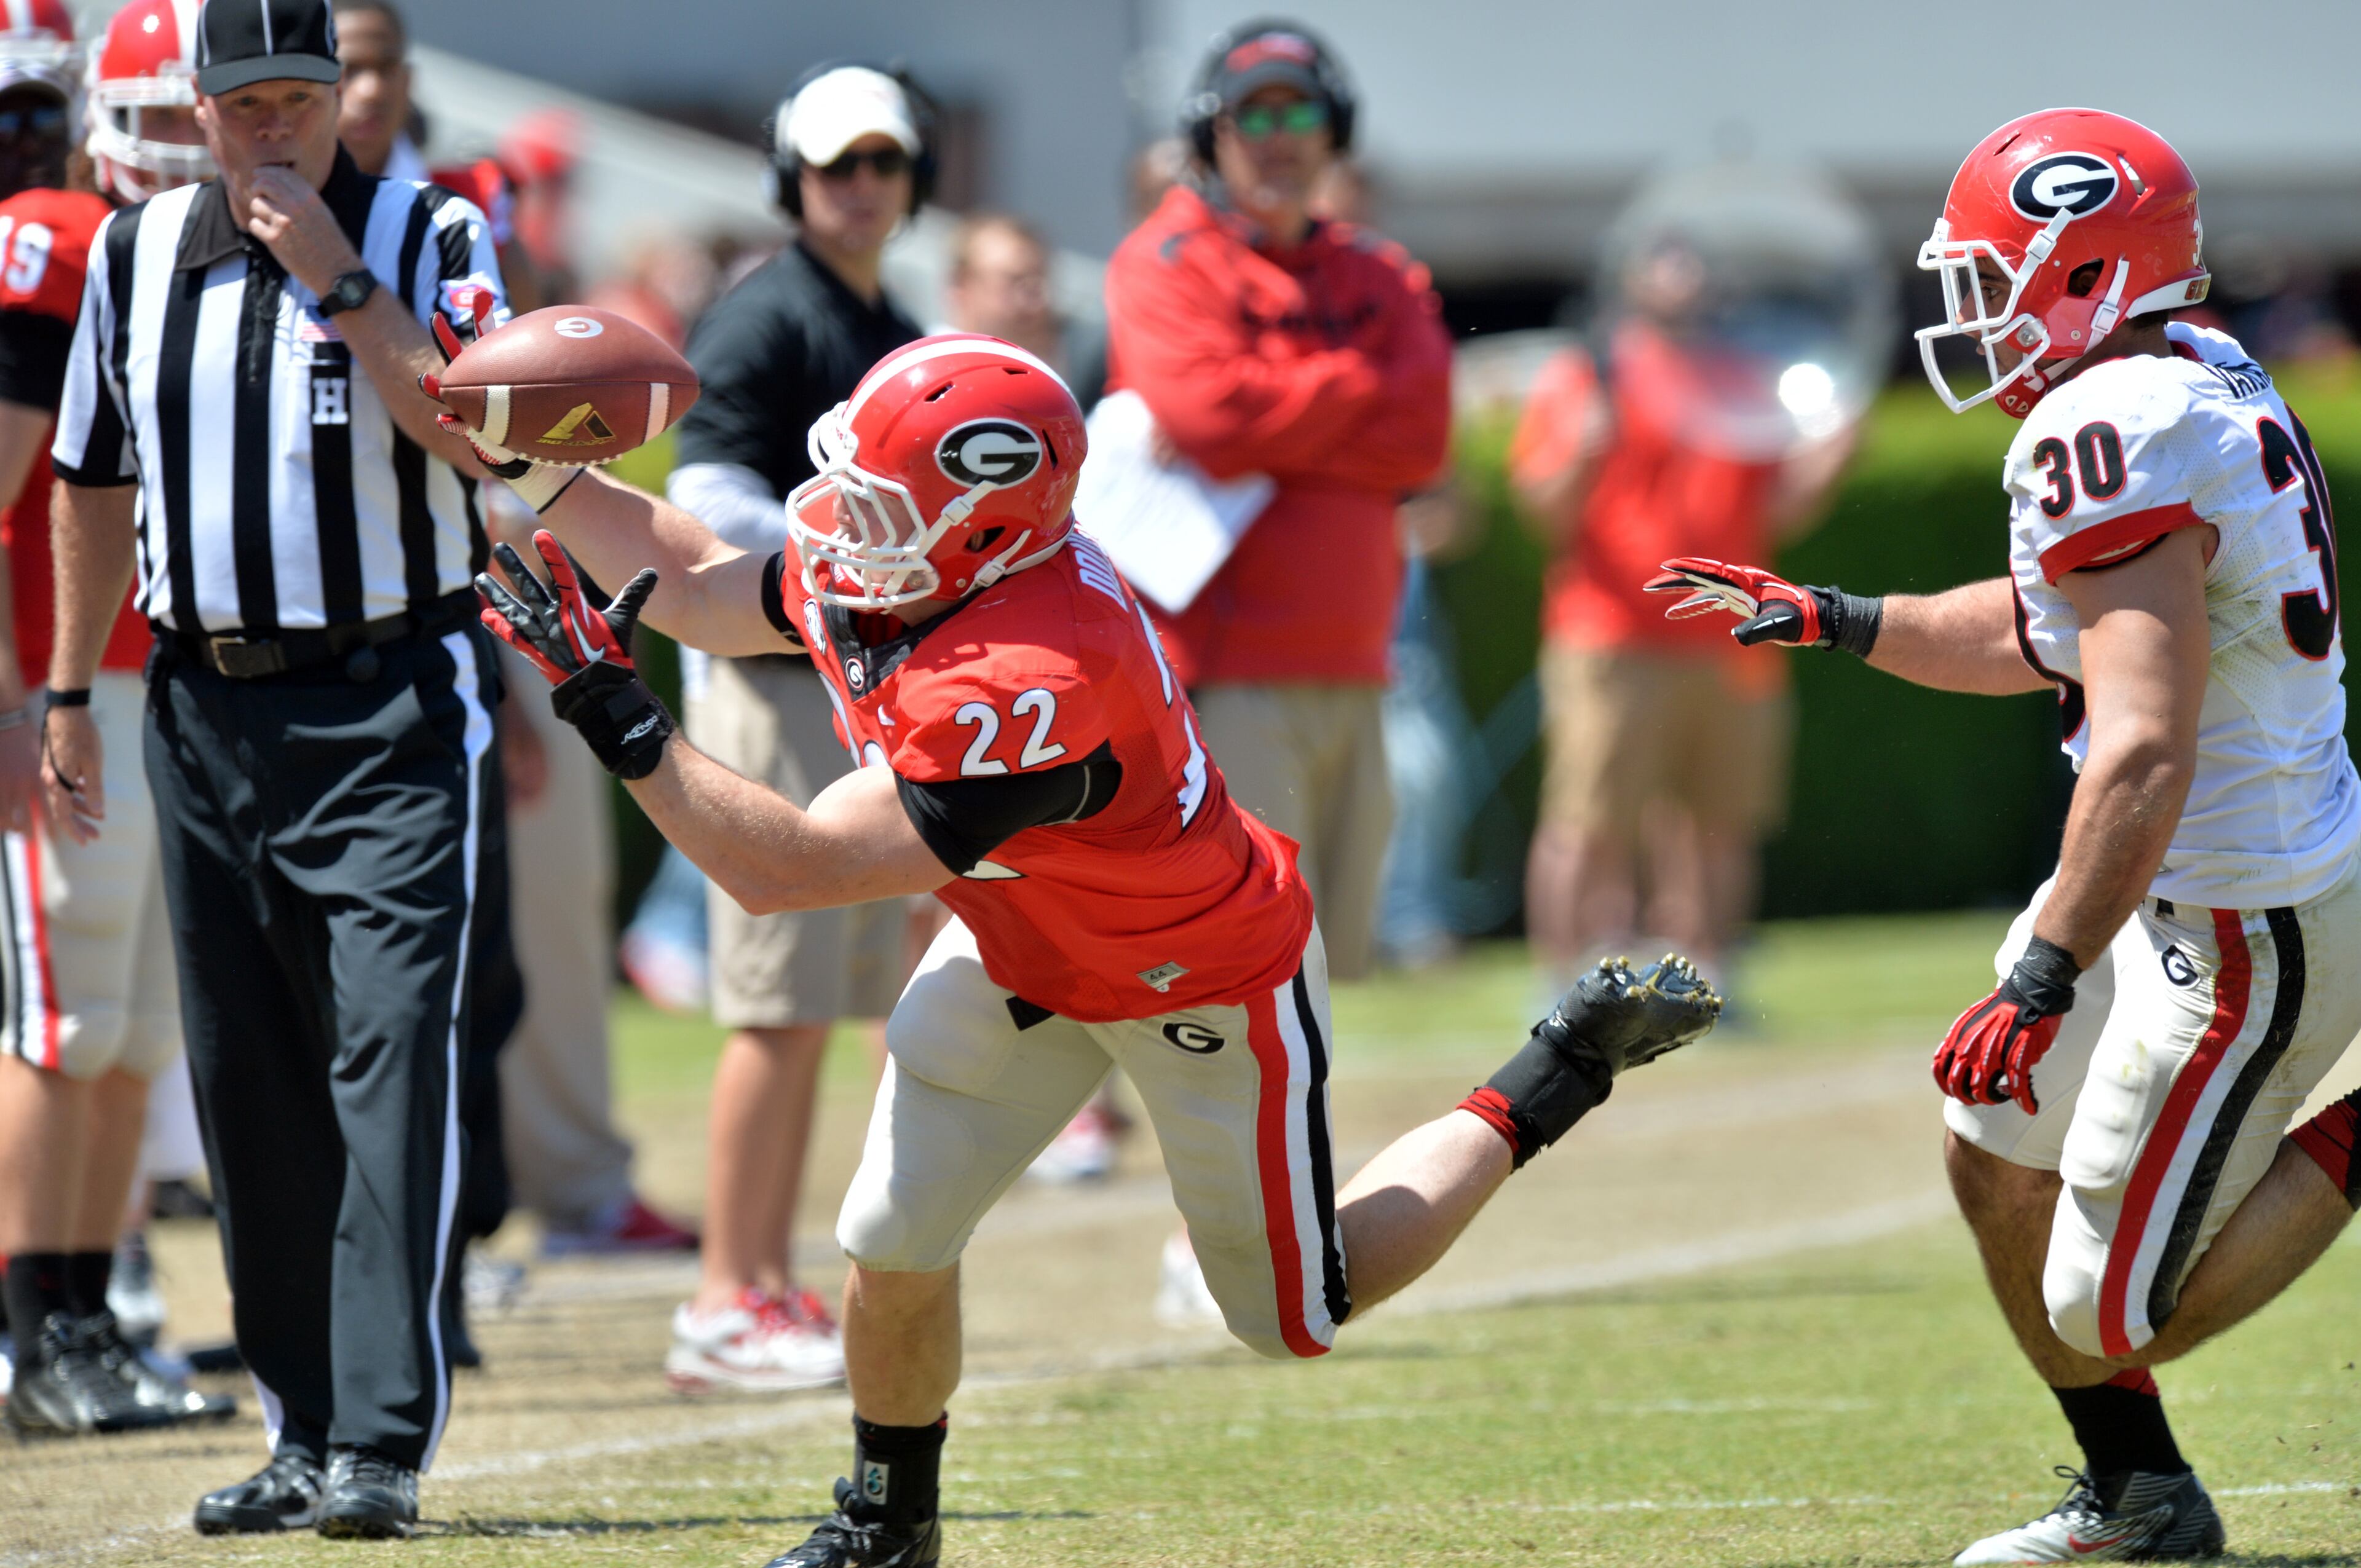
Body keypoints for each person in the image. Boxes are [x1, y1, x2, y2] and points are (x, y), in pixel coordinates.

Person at [440, 328, 1720, 1568]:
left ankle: (1555, 1068)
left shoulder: (1038, 667)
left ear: (988, 526)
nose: (839, 521)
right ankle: (891, 1522)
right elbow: (720, 593)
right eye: (852, 482)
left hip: (1199, 974)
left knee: (1295, 1316)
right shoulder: (925, 559)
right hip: (1018, 948)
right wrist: (547, 471)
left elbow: (793, 869)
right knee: (889, 1236)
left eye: (879, 500)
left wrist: (615, 713)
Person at [1653, 108, 2361, 1564]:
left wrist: (2041, 971)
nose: (1971, 309)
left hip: (2243, 916)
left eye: (1995, 274)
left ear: (2088, 273)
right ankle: (2139, 1495)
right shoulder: (2182, 373)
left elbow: (2142, 743)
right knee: (1992, 1153)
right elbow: (2066, 634)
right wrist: (1840, 619)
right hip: (2173, 876)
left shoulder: (2115, 421)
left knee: (2105, 1310)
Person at [44, 0, 511, 1535]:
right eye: (244, 103)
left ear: (340, 95)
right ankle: (299, 1425)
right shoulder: (133, 255)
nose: (273, 129)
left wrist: (338, 274)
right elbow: (92, 480)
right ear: (197, 101)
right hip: (202, 708)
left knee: (384, 1060)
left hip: (386, 698)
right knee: (249, 1084)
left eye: (299, 97)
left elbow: (474, 440)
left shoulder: (428, 230)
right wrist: (61, 684)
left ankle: (379, 1436)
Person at [333, 0, 691, 1261]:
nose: (363, 93)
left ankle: (571, 1176)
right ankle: (424, 1214)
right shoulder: (243, 223)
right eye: (346, 67)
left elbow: (518, 437)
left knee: (543, 905)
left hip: (489, 588)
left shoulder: (464, 213)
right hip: (327, 615)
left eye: (379, 68)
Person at [649, 62, 936, 1395]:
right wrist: (859, 570)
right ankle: (724, 1292)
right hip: (772, 693)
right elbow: (706, 497)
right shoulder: (766, 313)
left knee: (820, 1008)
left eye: (883, 162)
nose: (862, 187)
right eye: (837, 167)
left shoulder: (889, 314)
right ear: (793, 180)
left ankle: (761, 1281)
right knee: (773, 1010)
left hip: (841, 696)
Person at [1104, 20, 1451, 985]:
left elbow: (1420, 437)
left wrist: (1272, 404)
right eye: (1249, 113)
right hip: (1227, 675)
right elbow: (1206, 413)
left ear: (1333, 129)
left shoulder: (1379, 272)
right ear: (1210, 135)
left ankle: (1295, 1147)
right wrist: (1351, 389)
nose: (1275, 134)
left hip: (1357, 667)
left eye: (1296, 109)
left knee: (1324, 974)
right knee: (1235, 972)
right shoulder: (1169, 257)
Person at [0, 0, 227, 1439]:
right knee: (68, 1020)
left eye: (177, 128)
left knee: (137, 1031)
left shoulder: (221, 261)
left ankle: (84, 1313)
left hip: (173, 685)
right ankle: (31, 1334)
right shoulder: (58, 242)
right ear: (97, 122)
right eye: (134, 125)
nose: (155, 162)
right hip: (68, 684)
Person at [1513, 237, 1854, 979]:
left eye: (1694, 267)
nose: (1683, 283)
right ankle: (1558, 987)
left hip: (1730, 636)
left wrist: (1828, 462)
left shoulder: (1737, 379)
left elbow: (1775, 512)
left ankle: (1704, 979)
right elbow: (1541, 513)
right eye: (1666, 266)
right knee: (1588, 821)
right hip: (1609, 636)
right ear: (1632, 282)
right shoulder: (1586, 375)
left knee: (1718, 824)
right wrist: (1581, 455)